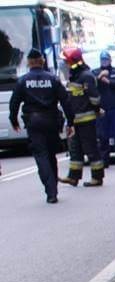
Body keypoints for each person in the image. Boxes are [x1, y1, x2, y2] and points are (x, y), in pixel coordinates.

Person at [8, 48, 74, 203]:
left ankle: (50, 190)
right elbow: (66, 101)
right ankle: (54, 189)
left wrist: (14, 121)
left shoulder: (23, 81)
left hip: (34, 122)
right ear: (42, 61)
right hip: (51, 121)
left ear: (29, 63)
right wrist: (70, 122)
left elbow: (14, 103)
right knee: (51, 155)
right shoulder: (53, 79)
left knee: (41, 155)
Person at [57, 46, 104, 188]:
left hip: (86, 119)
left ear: (75, 61)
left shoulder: (86, 76)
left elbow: (95, 98)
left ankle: (97, 177)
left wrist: (96, 110)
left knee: (90, 148)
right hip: (75, 120)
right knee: (75, 149)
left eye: (67, 61)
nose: (65, 64)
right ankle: (73, 177)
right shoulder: (75, 75)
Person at [93, 50, 115, 168]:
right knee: (103, 136)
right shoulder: (95, 72)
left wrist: (109, 81)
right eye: (102, 60)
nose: (104, 62)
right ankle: (104, 161)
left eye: (106, 60)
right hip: (102, 109)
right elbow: (91, 86)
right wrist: (99, 78)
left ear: (110, 60)